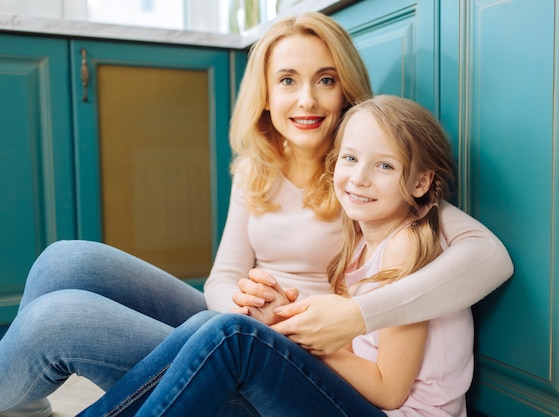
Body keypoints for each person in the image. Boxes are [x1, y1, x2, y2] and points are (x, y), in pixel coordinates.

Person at [0, 12, 512, 417]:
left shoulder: (373, 176)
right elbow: (222, 277)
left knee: (57, 323)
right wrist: (242, 304)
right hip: (257, 327)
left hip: (310, 353)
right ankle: (21, 399)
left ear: (347, 91)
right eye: (287, 80)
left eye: (326, 80)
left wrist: (350, 317)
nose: (306, 99)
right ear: (266, 94)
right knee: (64, 261)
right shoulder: (258, 168)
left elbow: (487, 257)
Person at [80, 94, 475, 416]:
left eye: (384, 166)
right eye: (350, 159)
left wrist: (295, 338)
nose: (359, 178)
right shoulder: (363, 241)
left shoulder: (406, 247)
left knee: (231, 333)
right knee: (215, 325)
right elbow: (359, 350)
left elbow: (389, 390)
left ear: (422, 182)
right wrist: (283, 319)